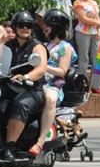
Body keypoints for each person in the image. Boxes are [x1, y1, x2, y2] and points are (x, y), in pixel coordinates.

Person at [0, 11, 49, 160]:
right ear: (14, 27)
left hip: (32, 89)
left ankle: (10, 146)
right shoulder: (9, 45)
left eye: (29, 25)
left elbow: (41, 68)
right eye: (21, 25)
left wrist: (26, 76)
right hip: (11, 86)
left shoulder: (37, 46)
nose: (25, 28)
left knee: (20, 104)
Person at [30, 9, 77, 158]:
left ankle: (41, 140)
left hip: (53, 85)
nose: (44, 28)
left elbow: (62, 71)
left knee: (50, 99)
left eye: (47, 25)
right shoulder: (44, 45)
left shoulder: (65, 47)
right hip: (37, 81)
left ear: (56, 27)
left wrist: (43, 66)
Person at [72, 0, 100, 93]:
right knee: (84, 58)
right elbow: (83, 19)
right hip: (83, 32)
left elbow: (98, 18)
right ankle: (83, 84)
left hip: (95, 32)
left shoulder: (94, 3)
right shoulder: (78, 2)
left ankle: (96, 85)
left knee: (98, 59)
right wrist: (97, 24)